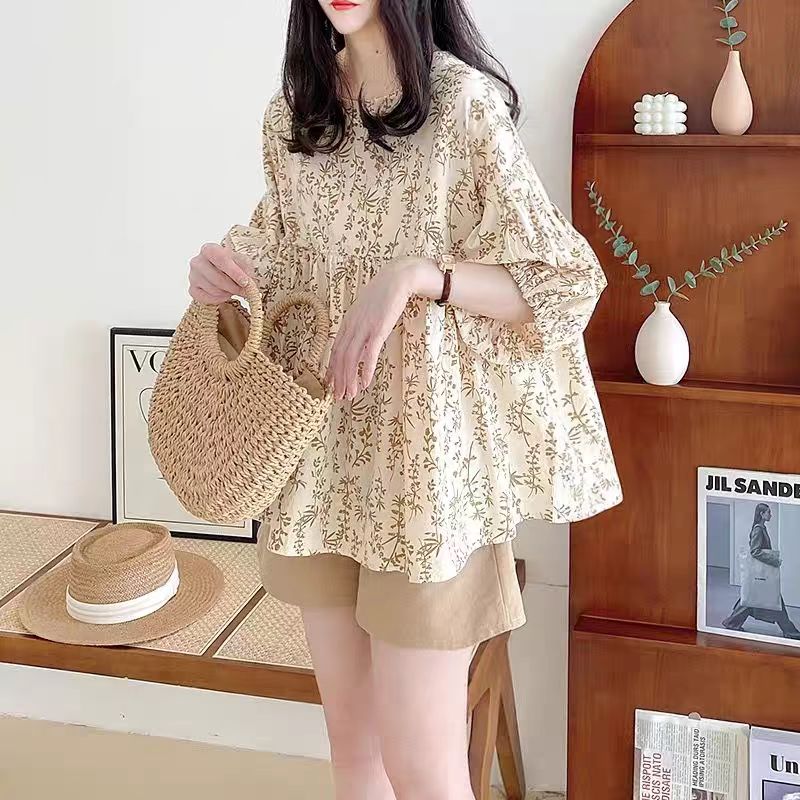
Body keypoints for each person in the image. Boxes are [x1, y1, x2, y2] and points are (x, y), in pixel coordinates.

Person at [188, 1, 621, 797]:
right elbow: (276, 257)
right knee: (354, 755)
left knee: (424, 769)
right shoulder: (295, 115)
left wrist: (421, 276)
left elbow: (562, 281)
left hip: (427, 482)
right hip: (320, 464)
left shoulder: (462, 106)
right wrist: (219, 272)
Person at [722, 503, 800, 639]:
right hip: (762, 573)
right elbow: (755, 551)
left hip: (760, 574)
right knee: (772, 600)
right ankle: (790, 632)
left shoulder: (762, 528)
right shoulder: (758, 529)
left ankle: (732, 622)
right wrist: (773, 560)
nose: (771, 515)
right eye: (768, 512)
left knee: (750, 599)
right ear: (761, 514)